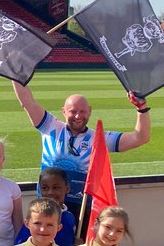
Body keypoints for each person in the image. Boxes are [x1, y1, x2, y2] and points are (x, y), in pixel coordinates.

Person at [12, 80, 151, 215]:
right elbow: (27, 102)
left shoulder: (98, 138)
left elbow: (140, 138)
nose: (78, 116)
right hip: (46, 206)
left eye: (82, 111)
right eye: (73, 111)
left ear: (89, 111)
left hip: (81, 209)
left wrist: (142, 108)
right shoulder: (50, 127)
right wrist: (13, 73)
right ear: (64, 111)